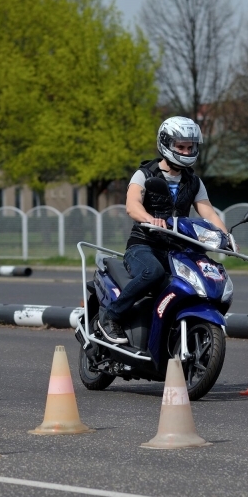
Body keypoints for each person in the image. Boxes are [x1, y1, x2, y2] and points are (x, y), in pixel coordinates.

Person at [98, 116, 230, 344]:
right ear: (166, 144)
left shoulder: (194, 182)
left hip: (178, 248)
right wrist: (150, 219)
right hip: (144, 245)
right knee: (154, 273)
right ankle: (112, 317)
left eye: (190, 147)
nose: (186, 151)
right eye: (181, 146)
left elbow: (207, 212)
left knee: (199, 280)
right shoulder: (145, 174)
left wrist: (226, 236)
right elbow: (132, 205)